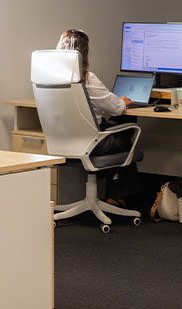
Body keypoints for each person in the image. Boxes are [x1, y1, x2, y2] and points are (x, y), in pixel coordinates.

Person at [56, 29, 140, 203]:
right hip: (91, 143)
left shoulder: (51, 78)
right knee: (127, 123)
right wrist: (122, 101)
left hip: (62, 140)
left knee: (112, 126)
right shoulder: (86, 78)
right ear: (84, 53)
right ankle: (118, 195)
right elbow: (115, 108)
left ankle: (116, 194)